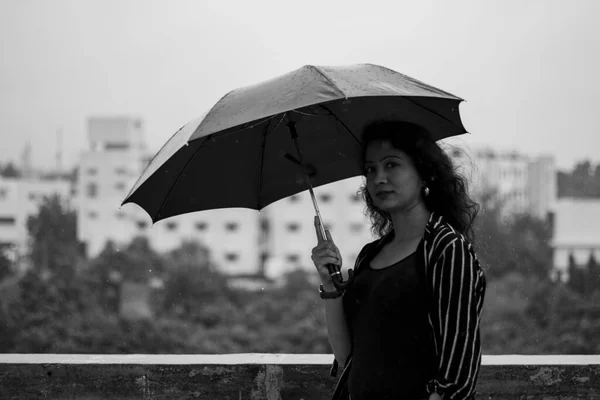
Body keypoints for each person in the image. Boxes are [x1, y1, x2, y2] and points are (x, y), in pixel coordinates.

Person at [311, 120, 487, 400]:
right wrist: (329, 283)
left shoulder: (446, 248)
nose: (379, 177)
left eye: (391, 165)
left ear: (424, 172)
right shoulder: (371, 254)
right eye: (370, 169)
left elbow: (457, 377)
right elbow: (348, 358)